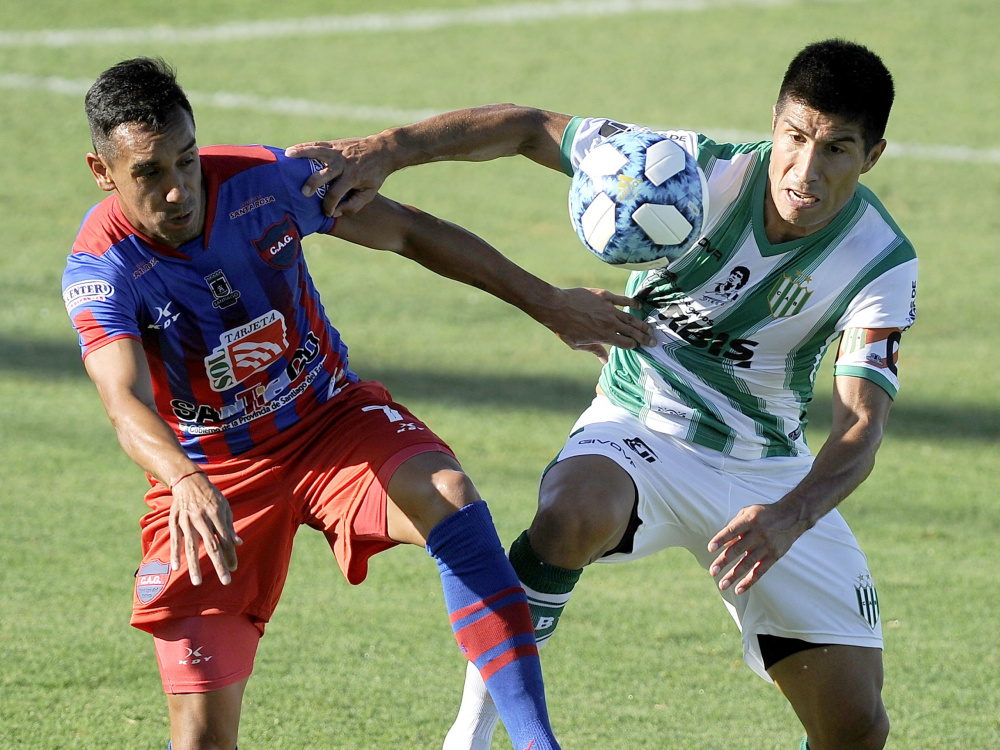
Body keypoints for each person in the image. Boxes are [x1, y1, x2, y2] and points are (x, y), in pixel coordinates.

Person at [287, 38, 918, 750]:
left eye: (836, 149)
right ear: (774, 123)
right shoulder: (689, 170)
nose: (805, 170)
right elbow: (528, 126)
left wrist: (788, 515)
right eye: (796, 138)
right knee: (572, 511)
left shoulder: (881, 262)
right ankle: (473, 734)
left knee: (856, 728)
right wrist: (385, 150)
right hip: (639, 422)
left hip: (766, 472)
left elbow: (861, 427)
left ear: (872, 157)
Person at [61, 57, 657, 750]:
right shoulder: (101, 268)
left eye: (186, 160)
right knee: (200, 738)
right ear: (103, 172)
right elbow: (122, 401)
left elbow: (407, 231)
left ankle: (533, 743)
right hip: (211, 477)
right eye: (149, 173)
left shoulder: (266, 183)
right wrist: (186, 480)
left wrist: (548, 302)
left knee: (448, 492)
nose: (176, 190)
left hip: (328, 422)